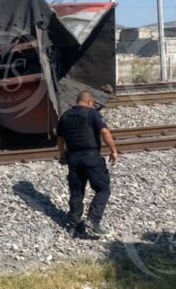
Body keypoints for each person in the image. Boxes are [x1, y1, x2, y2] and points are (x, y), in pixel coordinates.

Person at [56, 90, 118, 238]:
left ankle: (73, 225)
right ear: (90, 102)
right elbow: (104, 132)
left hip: (73, 159)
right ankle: (93, 220)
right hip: (91, 157)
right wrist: (113, 151)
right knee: (103, 189)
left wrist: (62, 154)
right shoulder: (92, 113)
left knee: (77, 192)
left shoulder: (65, 116)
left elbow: (60, 139)